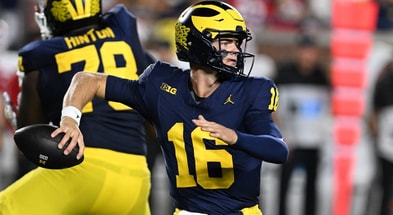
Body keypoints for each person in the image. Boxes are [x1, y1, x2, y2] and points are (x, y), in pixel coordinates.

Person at [52, 1, 289, 214]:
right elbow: (87, 79)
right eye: (225, 42)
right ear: (197, 43)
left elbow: (278, 150)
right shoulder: (160, 84)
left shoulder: (251, 91)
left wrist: (235, 137)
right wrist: (70, 119)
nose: (236, 50)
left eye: (237, 42)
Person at [0, 0, 155, 214]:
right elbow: (154, 126)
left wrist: (17, 114)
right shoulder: (127, 38)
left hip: (79, 170)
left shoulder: (41, 57)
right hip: (136, 178)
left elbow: (28, 142)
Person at [273, 34, 331, 215]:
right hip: (291, 139)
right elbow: (273, 107)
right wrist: (281, 135)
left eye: (311, 51)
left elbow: (326, 107)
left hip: (314, 140)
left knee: (312, 185)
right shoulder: (284, 74)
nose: (308, 56)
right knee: (285, 183)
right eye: (304, 51)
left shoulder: (321, 77)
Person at [369, 59, 393, 215]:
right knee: (385, 189)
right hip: (387, 146)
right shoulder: (385, 81)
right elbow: (374, 113)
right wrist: (376, 136)